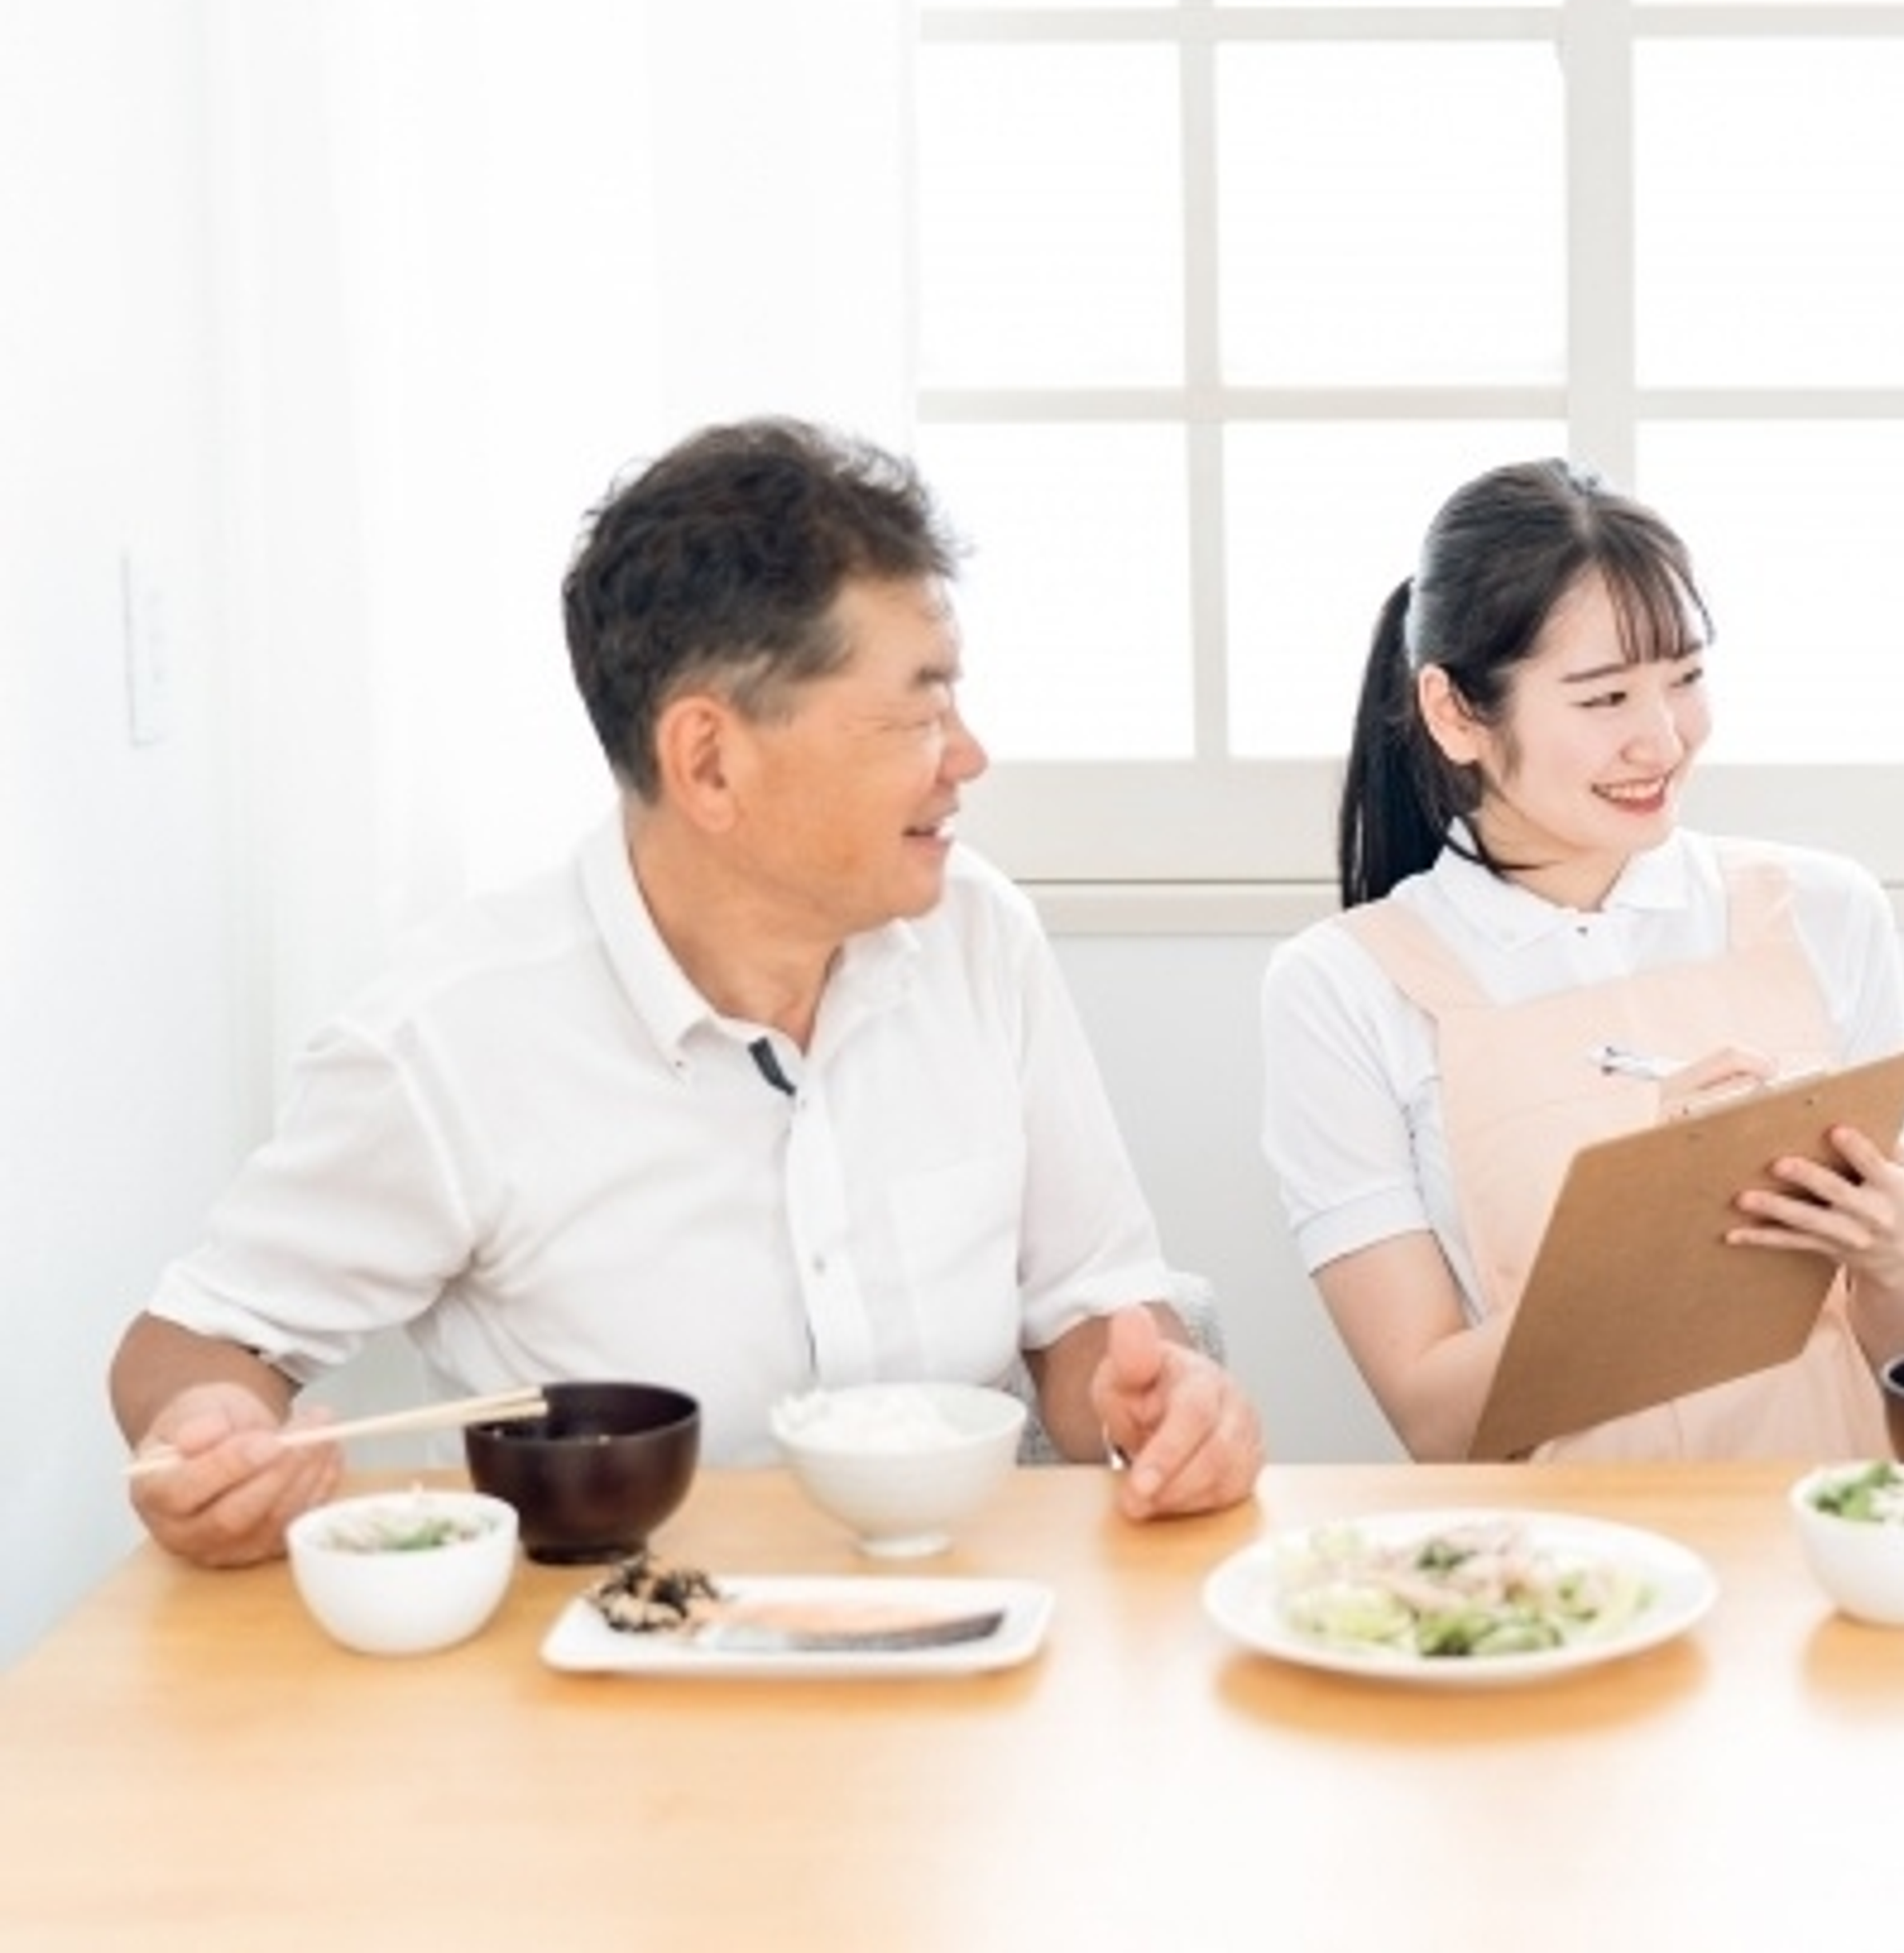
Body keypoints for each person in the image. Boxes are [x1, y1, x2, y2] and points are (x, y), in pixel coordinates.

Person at [114, 417, 1262, 1566]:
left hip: (956, 1638)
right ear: (709, 759)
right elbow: (195, 1340)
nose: (968, 755)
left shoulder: (980, 938)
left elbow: (1090, 1313)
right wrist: (209, 1433)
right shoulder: (447, 1037)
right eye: (919, 711)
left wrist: (1157, 1402)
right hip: (607, 1663)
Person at [1258, 457, 1904, 1463]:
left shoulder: (1826, 912)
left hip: (1831, 1537)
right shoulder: (1345, 986)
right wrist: (1658, 1224)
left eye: (1687, 678)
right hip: (1565, 1580)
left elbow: (1896, 1356)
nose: (1663, 739)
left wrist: (1896, 1261)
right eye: (1605, 696)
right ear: (1454, 714)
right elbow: (1434, 1422)